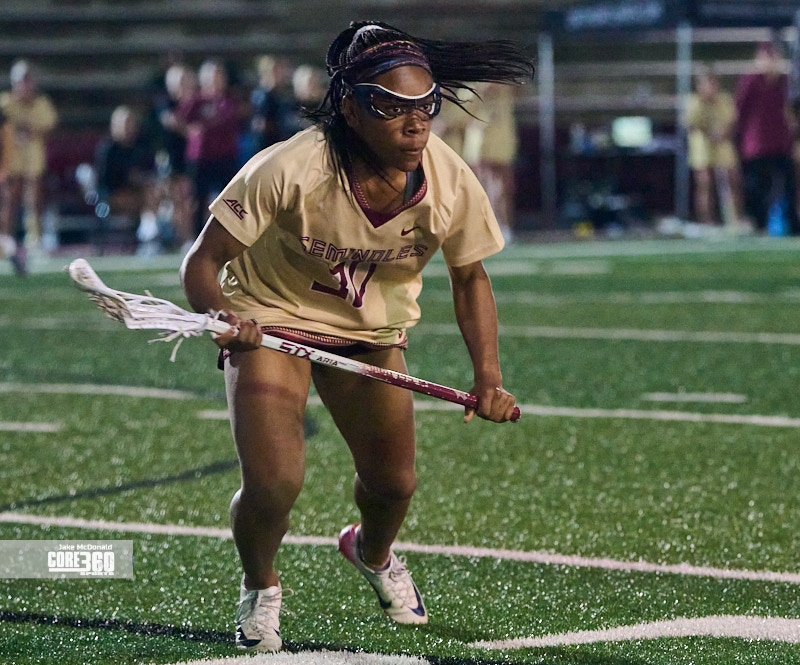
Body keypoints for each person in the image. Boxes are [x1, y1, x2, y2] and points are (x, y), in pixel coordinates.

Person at [180, 20, 532, 653]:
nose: (416, 126)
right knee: (274, 483)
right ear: (350, 108)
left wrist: (489, 378)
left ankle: (371, 552)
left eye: (425, 107)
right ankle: (260, 587)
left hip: (371, 331)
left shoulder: (449, 180)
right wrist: (223, 318)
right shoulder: (291, 167)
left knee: (394, 485)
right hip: (274, 318)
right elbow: (201, 263)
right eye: (392, 109)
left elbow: (470, 278)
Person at [735, 41, 799, 235]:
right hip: (757, 143)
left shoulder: (784, 82)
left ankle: (792, 223)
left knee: (789, 183)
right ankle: (758, 223)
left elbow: (790, 109)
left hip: (781, 141)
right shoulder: (750, 81)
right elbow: (739, 111)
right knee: (757, 186)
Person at [0, 59, 57, 273]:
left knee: (34, 201)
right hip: (10, 161)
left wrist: (27, 129)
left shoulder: (41, 103)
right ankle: (6, 242)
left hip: (34, 161)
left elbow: (47, 127)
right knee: (9, 204)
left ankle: (35, 241)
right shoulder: (5, 103)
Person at [174, 59, 241, 240]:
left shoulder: (229, 100)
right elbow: (178, 119)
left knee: (229, 198)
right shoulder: (196, 101)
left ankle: (230, 235)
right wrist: (191, 132)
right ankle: (196, 237)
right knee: (198, 199)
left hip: (225, 156)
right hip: (201, 157)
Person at [684, 65, 743, 227]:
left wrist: (722, 134)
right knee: (704, 183)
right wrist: (708, 133)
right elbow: (690, 125)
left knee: (732, 180)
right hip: (702, 147)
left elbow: (732, 121)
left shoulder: (724, 100)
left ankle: (734, 219)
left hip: (722, 145)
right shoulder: (694, 102)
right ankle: (706, 221)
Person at [94, 105, 158, 247]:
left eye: (130, 123)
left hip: (141, 191)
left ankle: (150, 234)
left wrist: (140, 179)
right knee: (146, 198)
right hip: (113, 195)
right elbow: (104, 182)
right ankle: (148, 235)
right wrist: (128, 179)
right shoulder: (108, 150)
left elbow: (151, 171)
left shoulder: (142, 146)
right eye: (124, 124)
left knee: (153, 193)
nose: (128, 128)